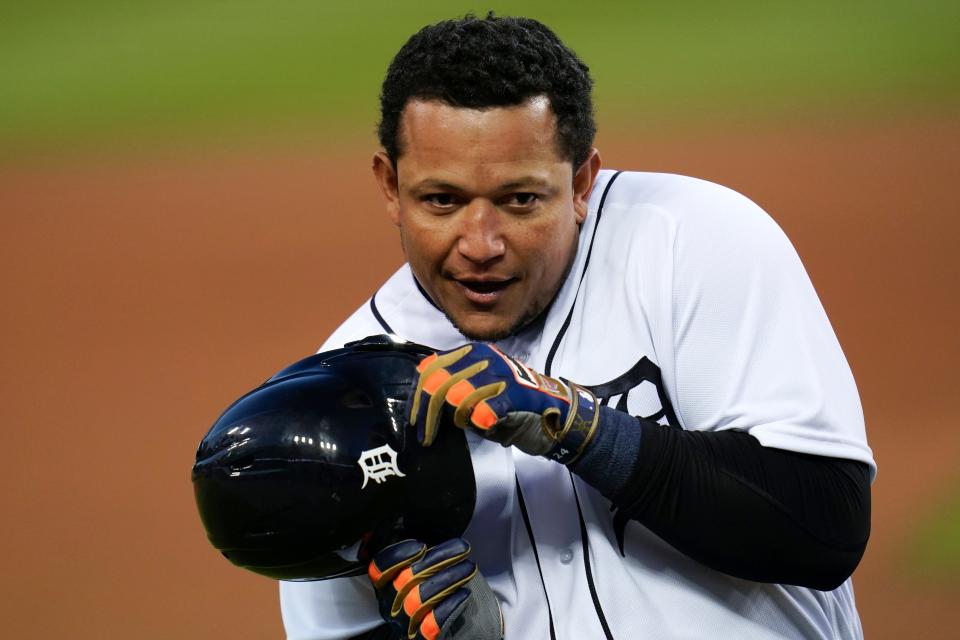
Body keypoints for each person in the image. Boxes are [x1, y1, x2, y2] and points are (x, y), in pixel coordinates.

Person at [280, 14, 874, 640]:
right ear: (390, 186)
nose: (480, 244)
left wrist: (584, 429)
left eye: (520, 200)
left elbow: (825, 528)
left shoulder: (690, 241)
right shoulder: (350, 389)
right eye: (441, 201)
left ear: (583, 182)